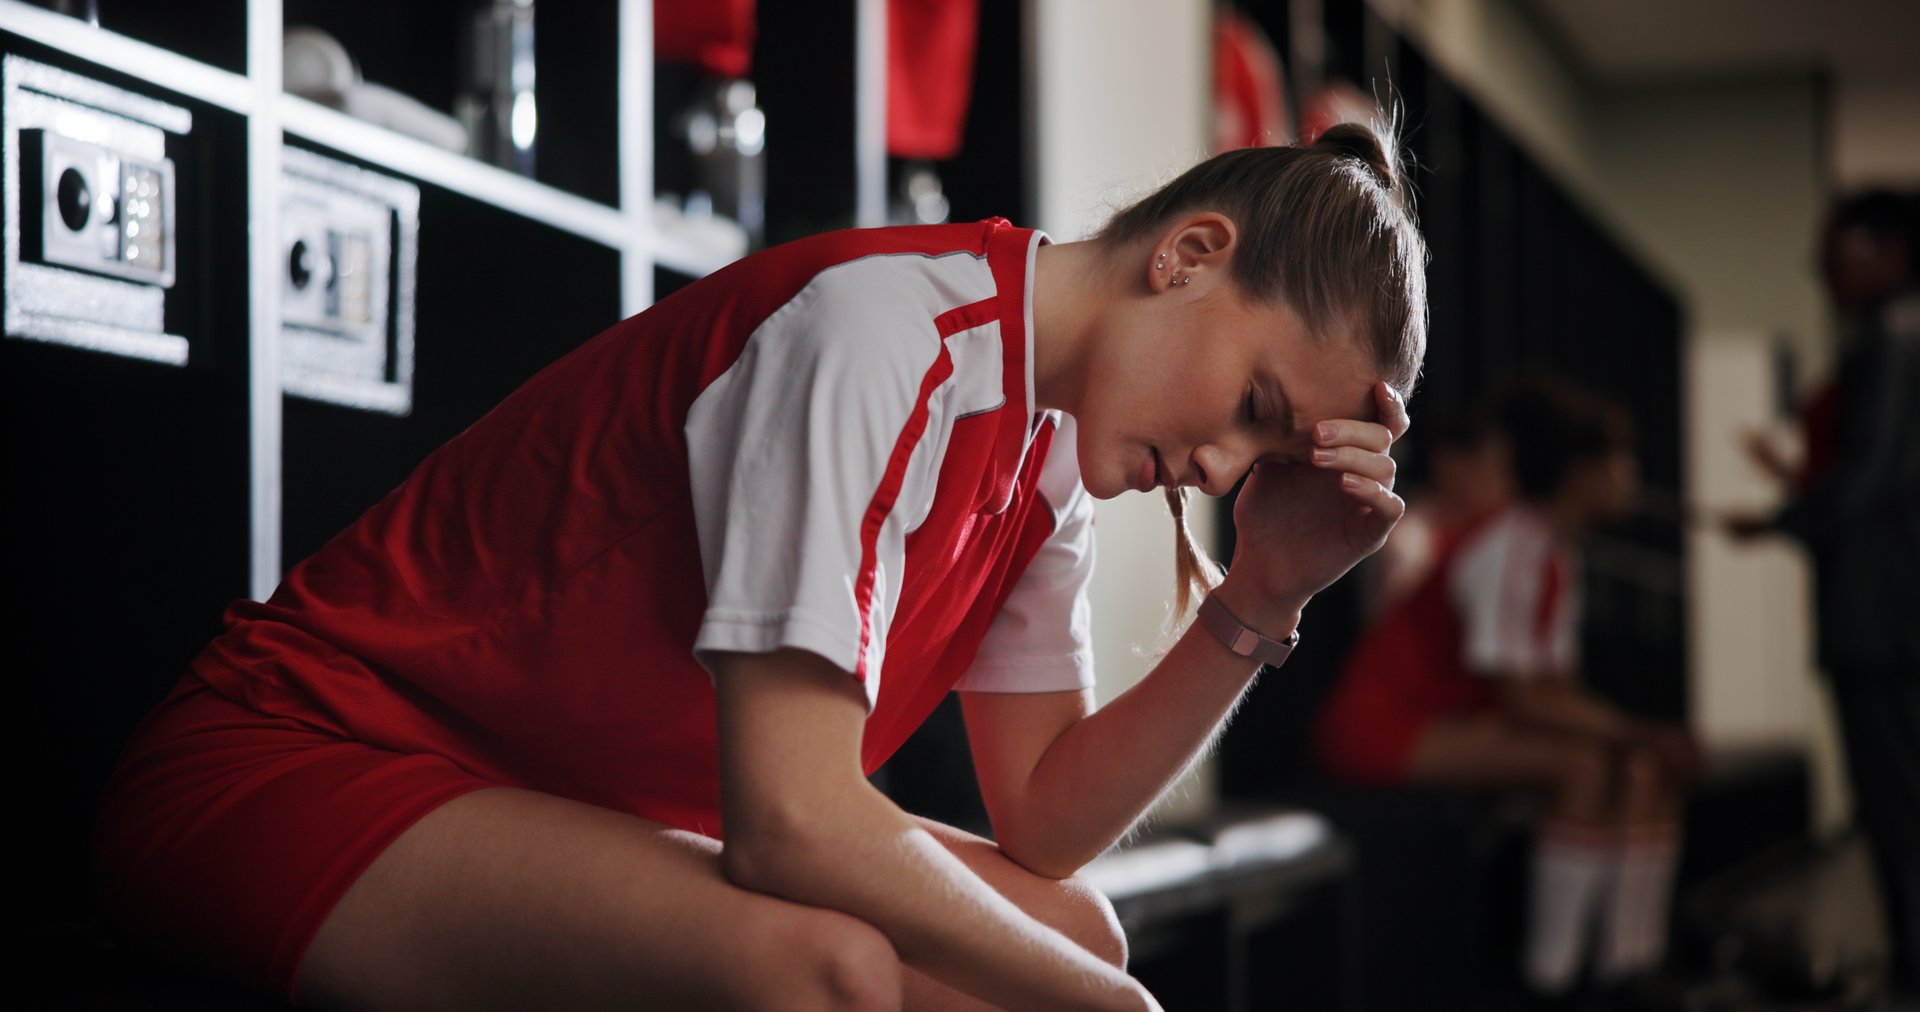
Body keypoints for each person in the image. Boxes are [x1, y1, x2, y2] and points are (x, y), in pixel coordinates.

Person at [93, 121, 1427, 1010]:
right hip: (303, 761)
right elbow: (792, 818)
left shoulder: (1046, 450)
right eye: (1254, 404)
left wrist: (1265, 594)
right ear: (1189, 255)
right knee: (826, 970)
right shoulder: (879, 331)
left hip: (568, 807)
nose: (1220, 467)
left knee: (1074, 935)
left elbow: (1047, 825)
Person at [1315, 375, 1702, 999]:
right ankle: (1551, 980)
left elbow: (1554, 690)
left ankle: (1631, 961)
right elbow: (1527, 699)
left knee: (1638, 769)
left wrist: (1641, 741)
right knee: (1586, 766)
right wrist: (1644, 731)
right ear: (1577, 472)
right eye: (1615, 461)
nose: (1629, 475)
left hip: (1450, 720)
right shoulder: (1510, 544)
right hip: (1383, 726)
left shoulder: (1551, 551)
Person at [1727, 189, 1920, 1001]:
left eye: (1840, 250)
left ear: (1891, 250)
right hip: (1897, 606)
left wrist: (1781, 519)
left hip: (1879, 612)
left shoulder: (1891, 342)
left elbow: (1870, 480)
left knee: (1894, 794)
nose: (1825, 270)